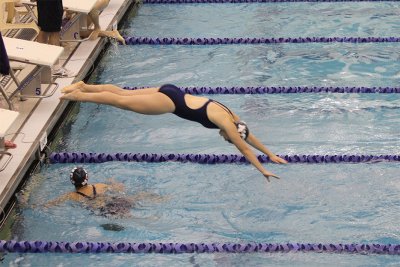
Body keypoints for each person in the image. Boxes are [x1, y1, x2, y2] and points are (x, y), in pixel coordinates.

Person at [60, 82, 288, 181]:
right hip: (170, 103)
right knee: (122, 102)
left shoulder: (231, 115)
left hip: (173, 91)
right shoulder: (227, 125)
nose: (225, 139)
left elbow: (248, 135)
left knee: (125, 93)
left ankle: (84, 86)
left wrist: (269, 154)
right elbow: (245, 149)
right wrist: (263, 170)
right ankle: (79, 96)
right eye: (229, 140)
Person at [46, 167, 164, 218]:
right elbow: (120, 188)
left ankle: (148, 219)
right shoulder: (99, 186)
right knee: (136, 197)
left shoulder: (71, 196)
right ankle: (162, 199)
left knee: (127, 217)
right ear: (87, 177)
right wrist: (112, 181)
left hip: (104, 210)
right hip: (116, 200)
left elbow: (51, 204)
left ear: (72, 181)